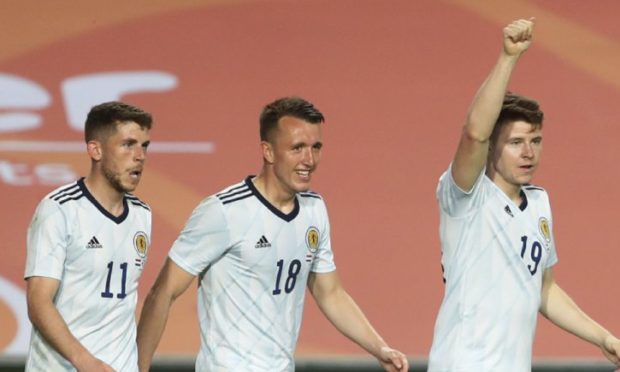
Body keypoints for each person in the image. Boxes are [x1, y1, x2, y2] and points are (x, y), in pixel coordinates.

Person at [136, 96, 408, 371]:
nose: (309, 160)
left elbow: (330, 293)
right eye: (297, 148)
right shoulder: (224, 212)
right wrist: (140, 368)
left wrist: (379, 348)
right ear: (268, 151)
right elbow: (163, 292)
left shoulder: (314, 209)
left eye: (316, 147)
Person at [428, 18, 620, 371]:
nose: (528, 152)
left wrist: (603, 337)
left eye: (535, 142)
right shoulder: (466, 197)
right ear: (492, 148)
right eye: (516, 143)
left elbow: (543, 290)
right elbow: (474, 133)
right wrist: (508, 57)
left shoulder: (539, 203)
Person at [24, 101, 153, 371]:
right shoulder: (59, 209)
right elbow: (38, 302)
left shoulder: (142, 215)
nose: (140, 156)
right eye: (128, 144)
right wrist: (84, 361)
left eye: (144, 146)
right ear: (95, 150)